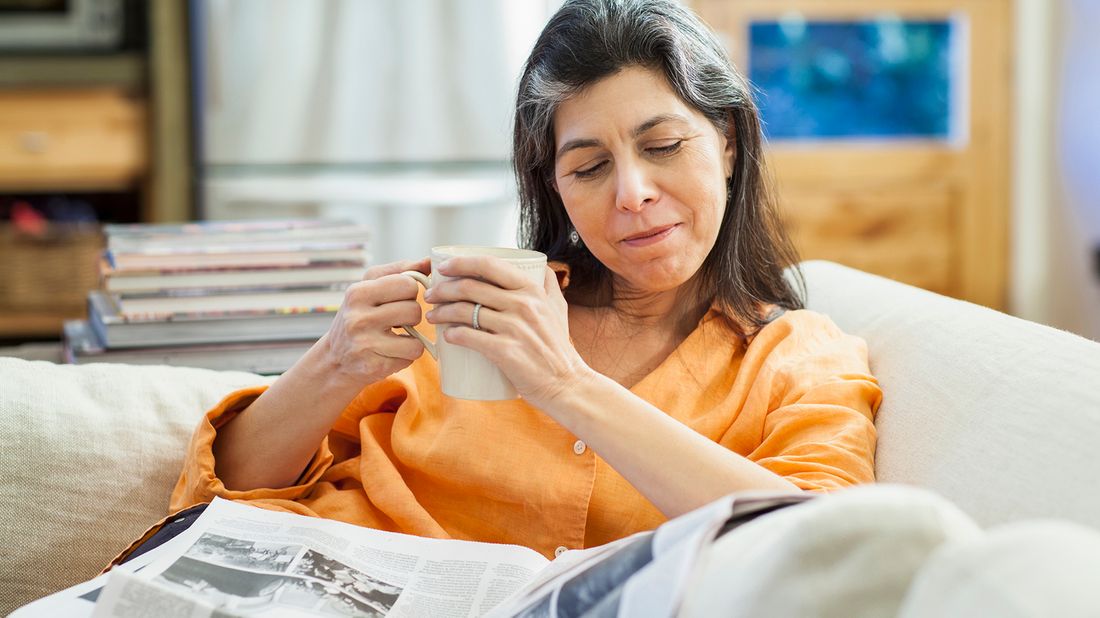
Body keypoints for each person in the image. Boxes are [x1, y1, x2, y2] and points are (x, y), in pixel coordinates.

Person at [140, 0, 880, 563]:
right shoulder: (466, 306)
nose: (632, 193)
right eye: (588, 167)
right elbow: (222, 492)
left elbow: (821, 548)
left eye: (662, 145)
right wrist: (332, 362)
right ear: (553, 186)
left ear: (726, 143)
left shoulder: (797, 358)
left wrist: (565, 385)